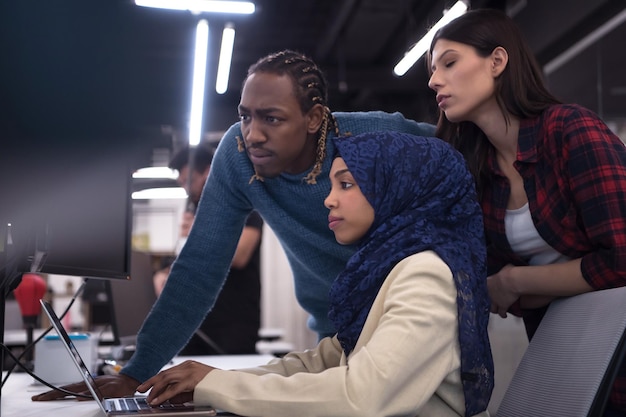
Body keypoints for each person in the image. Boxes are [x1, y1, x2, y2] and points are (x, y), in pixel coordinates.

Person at [32, 49, 436, 401]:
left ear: (313, 118)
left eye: (271, 119)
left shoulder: (371, 137)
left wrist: (494, 265)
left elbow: (461, 150)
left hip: (406, 325)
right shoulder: (238, 156)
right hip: (336, 335)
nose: (253, 134)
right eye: (245, 116)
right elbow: (199, 267)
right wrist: (136, 373)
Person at [137, 131, 493, 417]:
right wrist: (216, 380)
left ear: (393, 188)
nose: (328, 199)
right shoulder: (386, 270)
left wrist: (218, 387)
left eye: (346, 184)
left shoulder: (427, 274)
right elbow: (324, 361)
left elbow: (364, 396)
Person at [427, 8, 626, 416]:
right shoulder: (478, 172)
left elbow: (623, 259)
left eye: (449, 63)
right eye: (431, 71)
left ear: (497, 61)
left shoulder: (570, 130)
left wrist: (516, 280)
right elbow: (500, 294)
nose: (433, 80)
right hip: (562, 349)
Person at [153, 141, 263, 355]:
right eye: (182, 183)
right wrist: (163, 273)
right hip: (194, 325)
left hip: (232, 326)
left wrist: (201, 231)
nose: (186, 189)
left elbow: (240, 256)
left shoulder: (244, 205)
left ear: (208, 172)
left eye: (189, 181)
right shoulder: (197, 212)